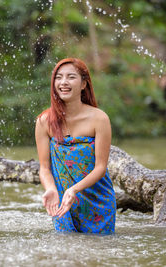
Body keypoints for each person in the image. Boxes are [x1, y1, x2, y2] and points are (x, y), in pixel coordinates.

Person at [35, 58, 116, 234]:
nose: (63, 82)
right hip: (63, 203)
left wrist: (74, 189)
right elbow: (44, 168)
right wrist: (50, 189)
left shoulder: (99, 119)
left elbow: (100, 168)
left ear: (83, 84)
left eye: (71, 77)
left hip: (98, 202)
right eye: (58, 77)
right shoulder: (44, 122)